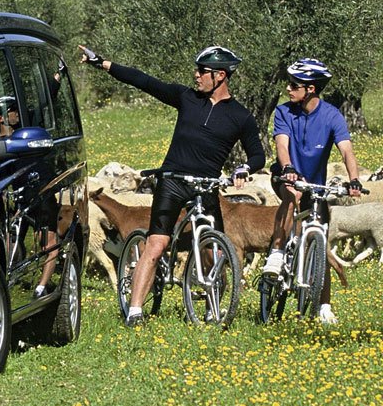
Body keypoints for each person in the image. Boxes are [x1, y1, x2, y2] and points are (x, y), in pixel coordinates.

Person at [79, 44, 266, 326]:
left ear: (220, 76)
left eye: (202, 71)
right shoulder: (187, 98)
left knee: (213, 251)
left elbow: (257, 154)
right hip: (173, 183)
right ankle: (135, 311)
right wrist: (102, 63)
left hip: (205, 186)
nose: (196, 75)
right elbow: (145, 82)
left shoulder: (240, 116)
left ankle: (212, 308)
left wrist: (244, 168)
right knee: (156, 245)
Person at [261, 58, 362, 325]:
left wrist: (354, 181)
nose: (288, 89)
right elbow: (282, 146)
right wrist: (289, 168)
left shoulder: (331, 116)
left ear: (311, 89)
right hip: (287, 175)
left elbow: (347, 150)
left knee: (321, 242)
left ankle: (324, 306)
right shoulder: (283, 112)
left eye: (294, 85)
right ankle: (278, 251)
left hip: (315, 185)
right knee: (291, 194)